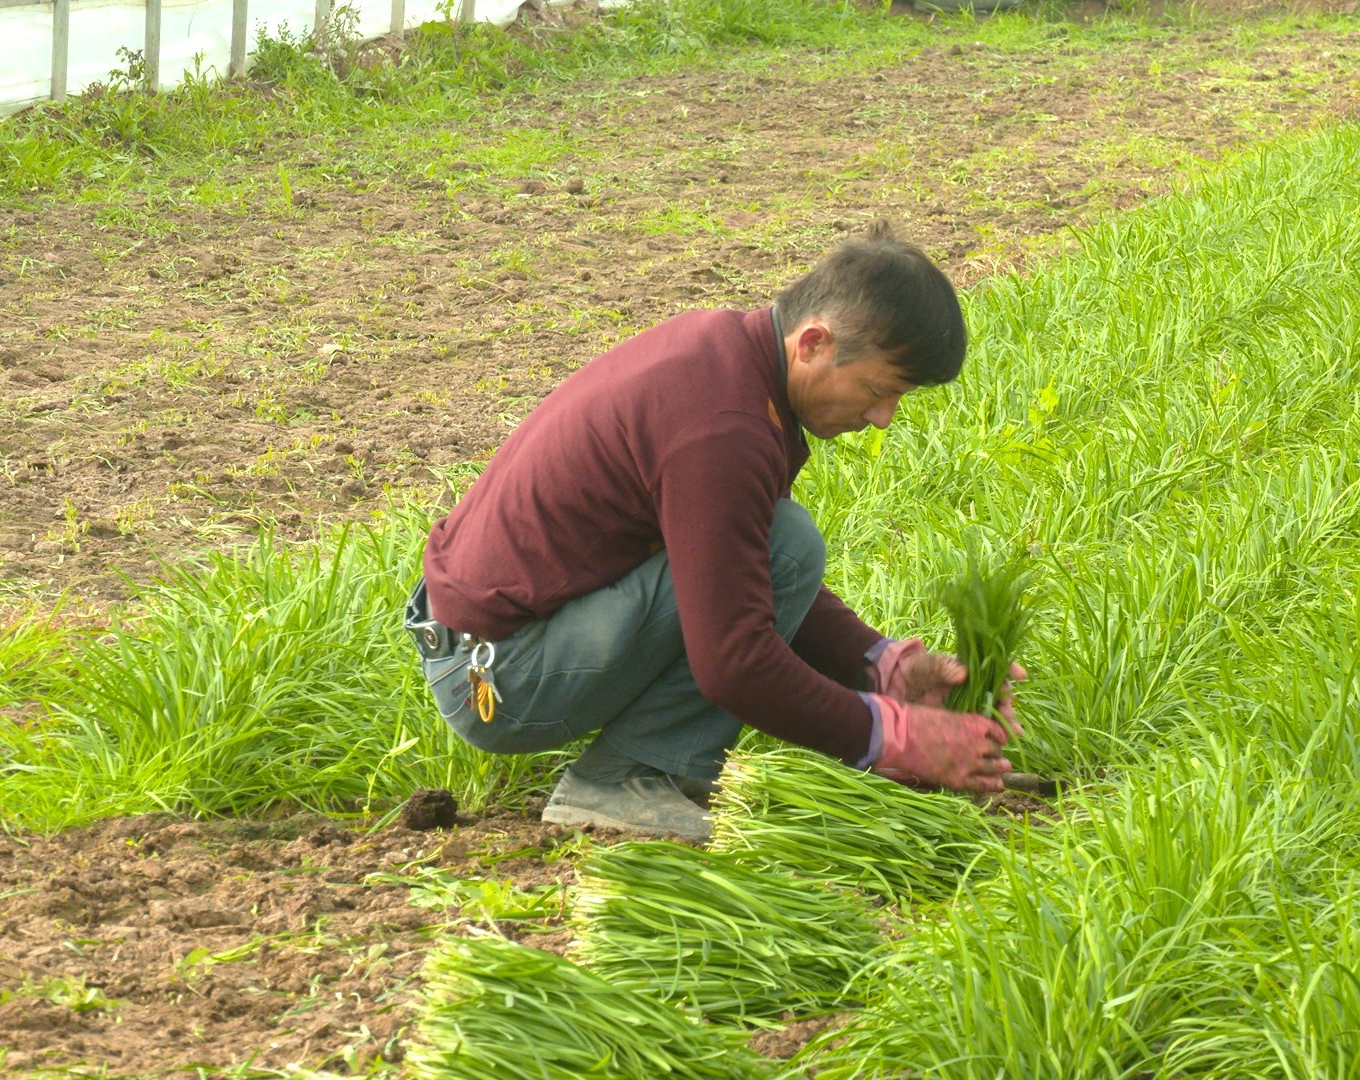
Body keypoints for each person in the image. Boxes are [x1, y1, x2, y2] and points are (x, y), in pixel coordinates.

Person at [403, 222, 1020, 841]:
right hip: (495, 673)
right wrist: (894, 738)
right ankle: (622, 781)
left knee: (785, 544)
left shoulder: (729, 360)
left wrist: (884, 669)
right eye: (879, 390)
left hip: (503, 642)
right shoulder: (722, 426)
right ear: (813, 343)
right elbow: (733, 663)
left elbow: (737, 569)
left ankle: (646, 768)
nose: (883, 418)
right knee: (791, 543)